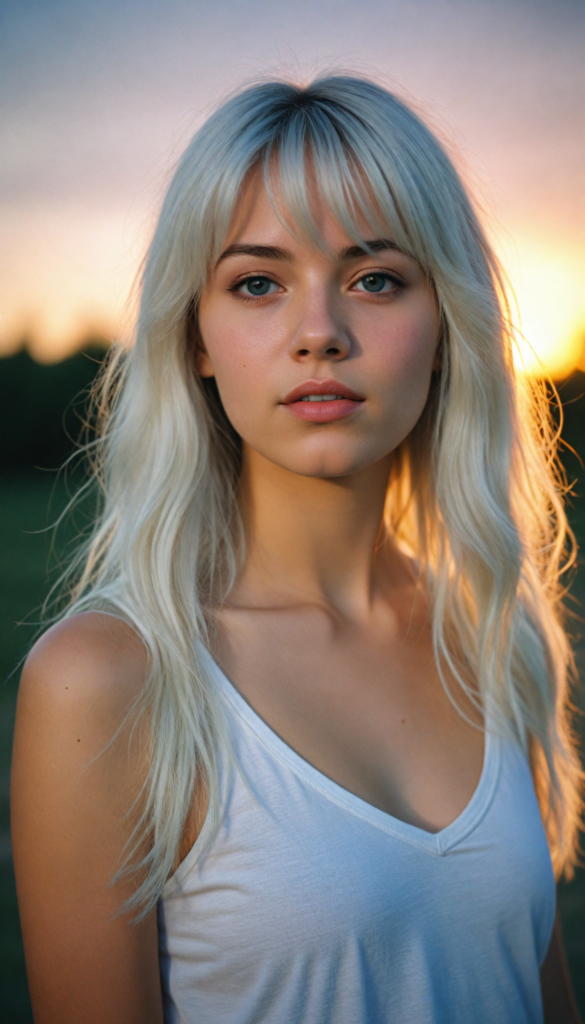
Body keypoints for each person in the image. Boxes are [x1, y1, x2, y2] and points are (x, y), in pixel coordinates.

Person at [10, 75, 583, 1023]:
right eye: (257, 284)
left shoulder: (487, 634)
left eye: (376, 279)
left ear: (446, 324)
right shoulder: (107, 679)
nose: (318, 333)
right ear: (195, 334)